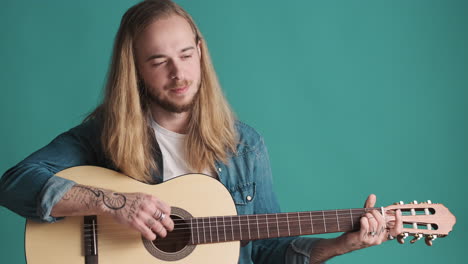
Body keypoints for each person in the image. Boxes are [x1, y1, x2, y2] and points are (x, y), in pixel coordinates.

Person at [0, 0, 402, 263]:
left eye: (186, 55)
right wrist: (112, 203)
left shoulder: (244, 146)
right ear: (135, 69)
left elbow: (265, 252)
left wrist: (339, 244)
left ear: (201, 52)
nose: (179, 74)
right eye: (159, 61)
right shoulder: (104, 135)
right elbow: (14, 183)